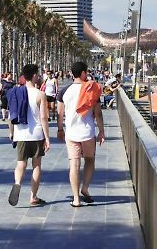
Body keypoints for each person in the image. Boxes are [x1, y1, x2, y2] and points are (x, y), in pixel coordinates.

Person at [57, 61, 105, 207]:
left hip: (71, 133)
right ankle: (85, 188)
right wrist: (101, 131)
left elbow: (60, 113)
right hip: (87, 132)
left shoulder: (64, 91)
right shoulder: (91, 89)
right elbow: (98, 113)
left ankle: (76, 199)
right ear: (83, 73)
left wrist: (60, 129)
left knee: (74, 165)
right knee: (90, 160)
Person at [7, 64, 50, 207]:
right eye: (37, 74)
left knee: (21, 164)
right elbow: (44, 118)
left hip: (21, 133)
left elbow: (11, 115)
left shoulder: (15, 92)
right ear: (33, 76)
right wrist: (47, 138)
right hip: (36, 135)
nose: (38, 76)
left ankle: (18, 182)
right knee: (36, 165)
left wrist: (11, 132)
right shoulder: (40, 94)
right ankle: (33, 196)